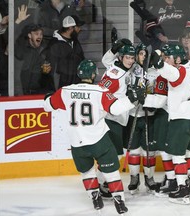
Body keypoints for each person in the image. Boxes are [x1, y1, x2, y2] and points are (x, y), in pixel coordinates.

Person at [43, 59, 145, 215]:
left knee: (87, 172)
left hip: (77, 143)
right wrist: (133, 98)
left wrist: (48, 97)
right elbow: (116, 109)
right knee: (111, 172)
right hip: (99, 141)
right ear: (93, 74)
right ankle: (119, 201)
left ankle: (95, 197)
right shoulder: (100, 91)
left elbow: (47, 106)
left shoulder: (65, 91)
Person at [149, 43, 190, 204]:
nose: (166, 60)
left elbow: (168, 71)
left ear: (178, 59)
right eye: (165, 57)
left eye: (169, 57)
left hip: (182, 118)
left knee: (178, 156)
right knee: (188, 152)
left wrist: (157, 59)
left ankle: (182, 190)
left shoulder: (178, 72)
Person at [97, 39, 137, 198]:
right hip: (112, 118)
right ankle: (101, 183)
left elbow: (106, 60)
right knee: (113, 154)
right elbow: (101, 92)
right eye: (127, 57)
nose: (130, 61)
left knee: (114, 153)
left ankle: (103, 182)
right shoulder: (115, 75)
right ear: (121, 58)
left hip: (120, 118)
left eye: (132, 58)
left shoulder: (117, 66)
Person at [124, 43, 158, 195]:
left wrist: (152, 104)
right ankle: (134, 178)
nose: (143, 57)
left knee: (149, 151)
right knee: (134, 151)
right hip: (133, 115)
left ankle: (149, 178)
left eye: (146, 54)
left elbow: (159, 93)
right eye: (141, 54)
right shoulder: (129, 71)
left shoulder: (154, 73)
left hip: (149, 117)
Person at [43, 15, 85, 90]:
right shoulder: (55, 45)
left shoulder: (75, 41)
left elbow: (82, 60)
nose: (79, 29)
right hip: (62, 90)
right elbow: (52, 71)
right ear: (70, 28)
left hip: (76, 88)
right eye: (77, 27)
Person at [14, 23, 54, 95]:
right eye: (36, 34)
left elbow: (47, 71)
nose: (40, 36)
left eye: (41, 34)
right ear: (29, 35)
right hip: (22, 92)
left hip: (41, 92)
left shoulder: (45, 49)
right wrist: (18, 22)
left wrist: (46, 71)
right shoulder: (22, 49)